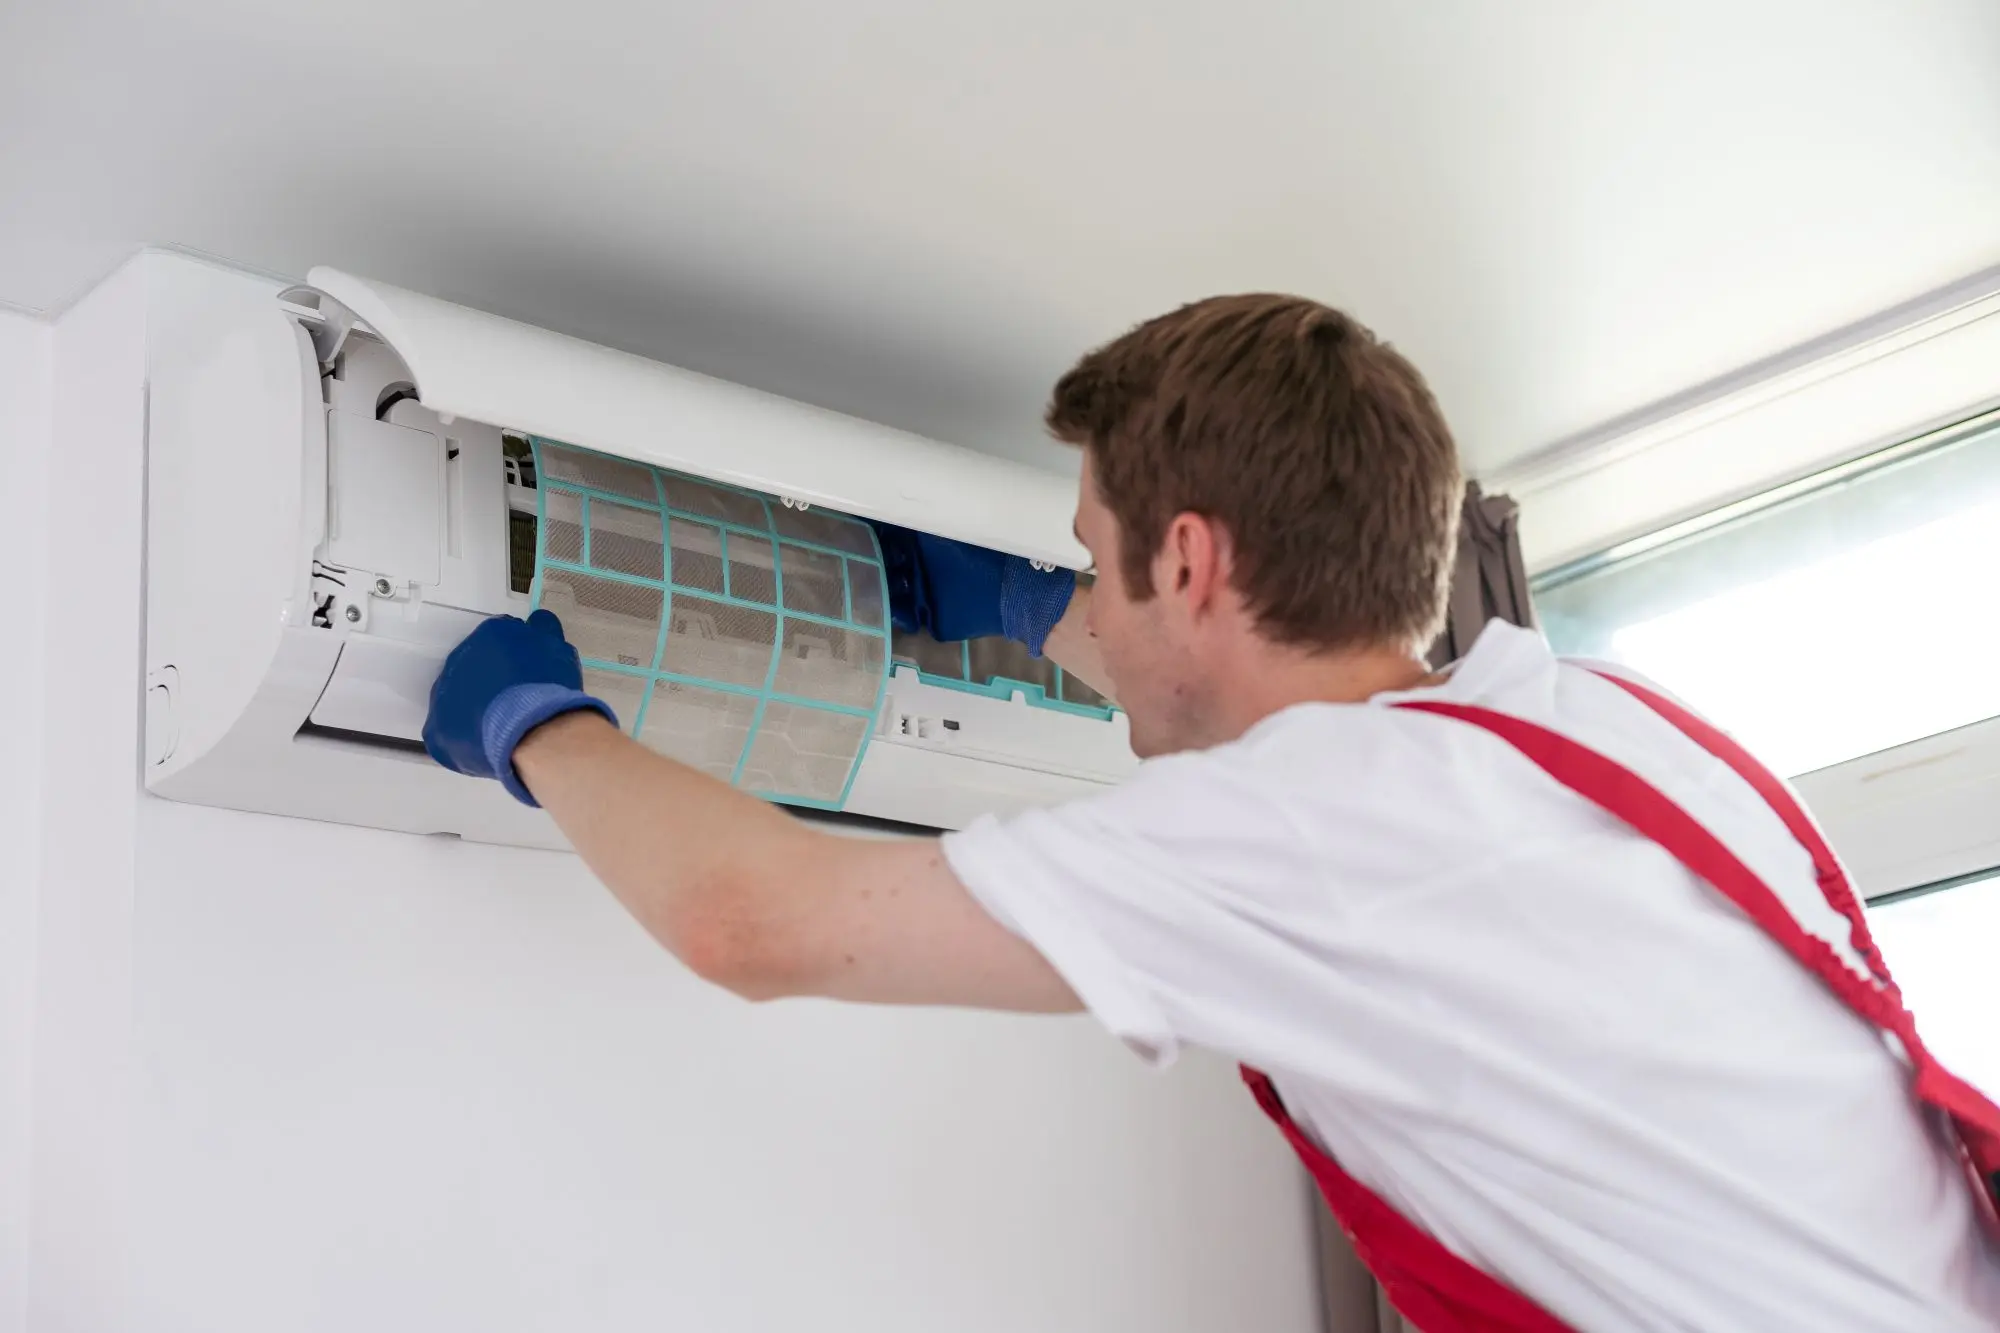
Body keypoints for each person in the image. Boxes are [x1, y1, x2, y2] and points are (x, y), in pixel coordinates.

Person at [422, 295, 2000, 1331]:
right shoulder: (1599, 734)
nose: (1087, 599)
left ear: (1188, 563)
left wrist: (536, 720)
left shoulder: (1324, 830)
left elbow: (749, 922)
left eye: (1097, 561)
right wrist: (1053, 626)